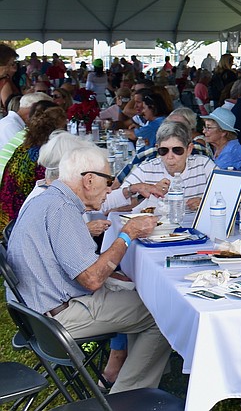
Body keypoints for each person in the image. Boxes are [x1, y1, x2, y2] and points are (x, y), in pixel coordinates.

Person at [6, 147, 171, 393]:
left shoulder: (47, 199)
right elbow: (92, 279)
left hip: (36, 314)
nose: (110, 189)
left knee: (138, 294)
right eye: (108, 182)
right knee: (162, 311)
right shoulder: (62, 209)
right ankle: (128, 397)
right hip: (55, 320)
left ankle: (130, 381)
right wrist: (127, 235)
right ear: (89, 179)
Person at [0, 103, 67, 228]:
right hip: (19, 218)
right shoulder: (42, 156)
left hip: (9, 212)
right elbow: (52, 187)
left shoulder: (24, 148)